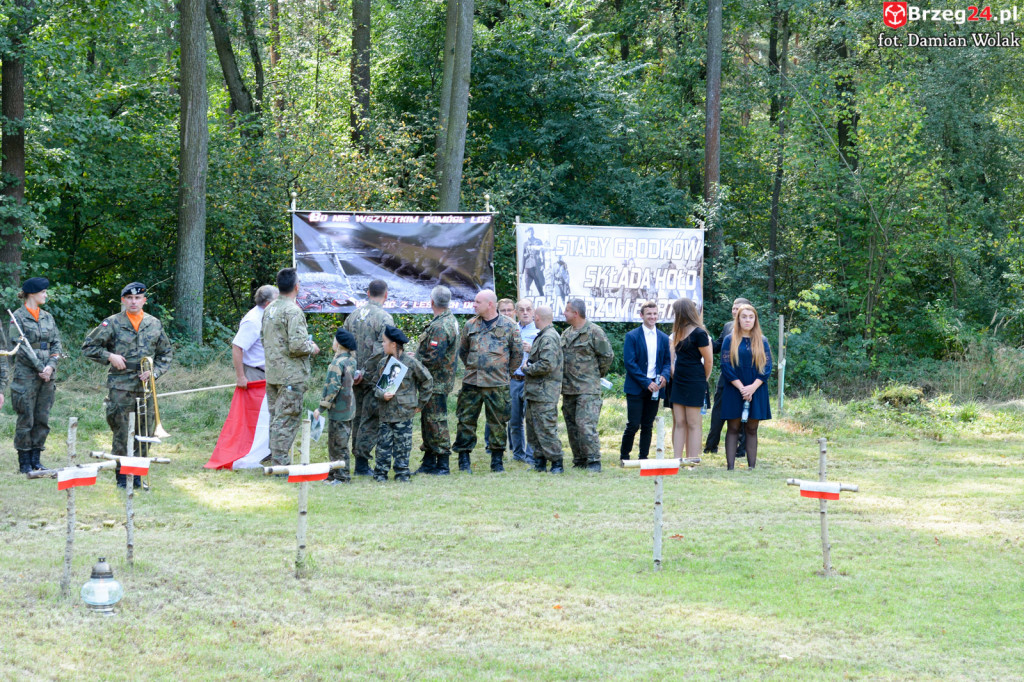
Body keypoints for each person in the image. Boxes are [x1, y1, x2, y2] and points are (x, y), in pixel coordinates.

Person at [82, 282, 172, 488]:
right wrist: (109, 356)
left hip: (145, 387)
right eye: (129, 298)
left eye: (138, 298)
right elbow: (88, 347)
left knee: (145, 432)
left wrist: (155, 372)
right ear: (123, 300)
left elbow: (166, 353)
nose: (133, 302)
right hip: (120, 385)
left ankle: (138, 477)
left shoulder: (154, 323)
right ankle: (123, 478)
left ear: (144, 301)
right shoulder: (112, 323)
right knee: (122, 431)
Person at [453, 290, 523, 473]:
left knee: (498, 423)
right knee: (465, 421)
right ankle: (464, 459)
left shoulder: (510, 326)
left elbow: (517, 354)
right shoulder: (470, 325)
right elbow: (463, 352)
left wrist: (504, 373)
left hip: (497, 384)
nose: (473, 305)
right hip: (472, 383)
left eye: (477, 302)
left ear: (490, 304)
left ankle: (497, 461)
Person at [260, 268, 320, 466]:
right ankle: (281, 463)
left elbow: (264, 338)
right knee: (286, 419)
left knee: (276, 417)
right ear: (296, 287)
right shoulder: (293, 311)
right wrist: (312, 347)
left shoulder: (270, 308)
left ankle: (275, 458)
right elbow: (297, 345)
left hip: (273, 374)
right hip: (290, 376)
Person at [9, 277, 62, 473]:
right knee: (26, 418)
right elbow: (19, 347)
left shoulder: (48, 317)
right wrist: (40, 367)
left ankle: (36, 459)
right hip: (26, 376)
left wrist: (50, 366)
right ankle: (24, 462)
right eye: (43, 292)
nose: (46, 295)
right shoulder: (17, 317)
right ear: (32, 293)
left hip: (47, 376)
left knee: (42, 417)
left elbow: (56, 343)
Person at [343, 279, 394, 475]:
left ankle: (358, 460)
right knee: (370, 419)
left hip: (354, 376)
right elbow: (385, 349)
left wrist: (352, 370)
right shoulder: (384, 318)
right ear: (386, 294)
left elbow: (341, 344)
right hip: (373, 377)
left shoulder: (353, 315)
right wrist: (367, 372)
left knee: (356, 417)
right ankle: (362, 464)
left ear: (367, 293)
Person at [372, 326, 432, 482]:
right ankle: (380, 473)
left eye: (384, 342)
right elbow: (375, 386)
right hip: (386, 413)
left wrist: (421, 403)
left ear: (393, 344)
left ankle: (402, 472)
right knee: (383, 445)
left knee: (403, 445)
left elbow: (427, 380)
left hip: (404, 412)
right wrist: (381, 394)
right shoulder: (382, 364)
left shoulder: (411, 363)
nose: (382, 345)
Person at [561, 299, 614, 471]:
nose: (564, 313)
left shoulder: (594, 331)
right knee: (572, 425)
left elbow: (607, 356)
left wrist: (596, 374)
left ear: (576, 313)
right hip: (568, 388)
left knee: (585, 425)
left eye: (567, 310)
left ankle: (593, 461)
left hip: (587, 388)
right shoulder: (566, 333)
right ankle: (579, 460)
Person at [412, 285, 459, 475]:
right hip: (435, 381)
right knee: (428, 420)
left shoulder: (441, 325)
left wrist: (413, 362)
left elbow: (433, 358)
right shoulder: (447, 320)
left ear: (431, 302)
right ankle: (430, 460)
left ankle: (442, 463)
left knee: (436, 421)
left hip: (436, 381)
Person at [485, 298, 539, 464]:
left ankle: (531, 455)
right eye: (521, 309)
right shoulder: (511, 329)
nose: (525, 312)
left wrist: (532, 350)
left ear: (533, 312)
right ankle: (518, 454)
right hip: (513, 380)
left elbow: (550, 357)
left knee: (531, 420)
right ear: (517, 311)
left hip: (532, 379)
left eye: (528, 309)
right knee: (514, 421)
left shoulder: (539, 331)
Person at [721, 304, 773, 470]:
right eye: (744, 317)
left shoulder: (762, 341)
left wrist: (752, 388)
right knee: (733, 427)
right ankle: (730, 467)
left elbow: (767, 367)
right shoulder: (730, 339)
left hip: (756, 389)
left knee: (752, 428)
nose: (747, 320)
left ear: (755, 320)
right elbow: (725, 365)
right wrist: (741, 387)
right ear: (738, 319)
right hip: (734, 387)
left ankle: (752, 466)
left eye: (751, 317)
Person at [620, 300, 670, 461]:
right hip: (636, 386)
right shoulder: (632, 336)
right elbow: (630, 363)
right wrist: (646, 382)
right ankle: (624, 456)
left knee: (648, 425)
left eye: (655, 314)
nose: (652, 317)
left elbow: (668, 362)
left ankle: (644, 457)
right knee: (634, 424)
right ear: (642, 315)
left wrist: (664, 375)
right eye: (649, 314)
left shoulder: (663, 337)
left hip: (655, 387)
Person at [704, 297, 751, 457]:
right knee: (718, 411)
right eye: (733, 308)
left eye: (738, 308)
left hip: (745, 378)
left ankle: (741, 449)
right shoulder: (728, 326)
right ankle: (711, 446)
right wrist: (705, 338)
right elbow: (717, 346)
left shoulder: (751, 329)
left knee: (743, 413)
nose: (735, 310)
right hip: (726, 376)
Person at [669, 298, 712, 463]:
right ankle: (676, 460)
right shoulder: (678, 332)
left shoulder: (700, 333)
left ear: (682, 312)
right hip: (679, 381)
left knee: (693, 423)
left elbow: (708, 361)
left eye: (675, 312)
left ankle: (692, 461)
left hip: (695, 381)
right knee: (679, 422)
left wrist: (703, 380)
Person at [313, 329, 358, 484]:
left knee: (337, 444)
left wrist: (321, 408)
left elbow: (332, 388)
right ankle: (334, 473)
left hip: (339, 409)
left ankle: (342, 476)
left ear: (338, 344)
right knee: (339, 442)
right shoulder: (350, 360)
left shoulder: (337, 363)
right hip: (349, 407)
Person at [523, 306, 564, 473]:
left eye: (533, 315)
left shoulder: (548, 337)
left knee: (546, 428)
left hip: (545, 392)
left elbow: (547, 364)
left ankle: (556, 462)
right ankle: (539, 461)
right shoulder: (543, 336)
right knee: (533, 428)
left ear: (537, 317)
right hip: (536, 391)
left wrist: (527, 369)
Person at [232, 284, 279, 387]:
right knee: (255, 404)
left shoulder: (270, 315)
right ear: (268, 303)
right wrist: (241, 377)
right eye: (277, 300)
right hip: (255, 374)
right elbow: (237, 347)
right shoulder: (253, 321)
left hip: (270, 374)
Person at [521, 227, 545, 296]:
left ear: (533, 232)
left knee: (539, 283)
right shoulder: (525, 243)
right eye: (528, 232)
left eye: (531, 231)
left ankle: (542, 296)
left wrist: (543, 264)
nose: (530, 233)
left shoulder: (538, 241)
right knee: (527, 284)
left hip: (537, 264)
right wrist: (521, 270)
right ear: (526, 233)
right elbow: (523, 256)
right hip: (528, 266)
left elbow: (543, 254)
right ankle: (526, 298)